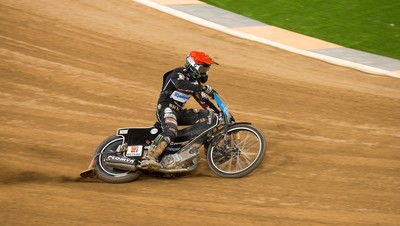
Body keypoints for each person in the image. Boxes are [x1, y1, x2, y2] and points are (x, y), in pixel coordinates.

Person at [140, 51, 218, 169]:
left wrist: (220, 113)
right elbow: (180, 85)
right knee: (171, 130)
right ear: (193, 66)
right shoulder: (178, 73)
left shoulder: (195, 82)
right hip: (166, 107)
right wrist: (203, 88)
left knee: (209, 115)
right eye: (202, 69)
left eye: (206, 70)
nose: (204, 73)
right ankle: (149, 158)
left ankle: (207, 148)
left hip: (178, 112)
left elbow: (204, 102)